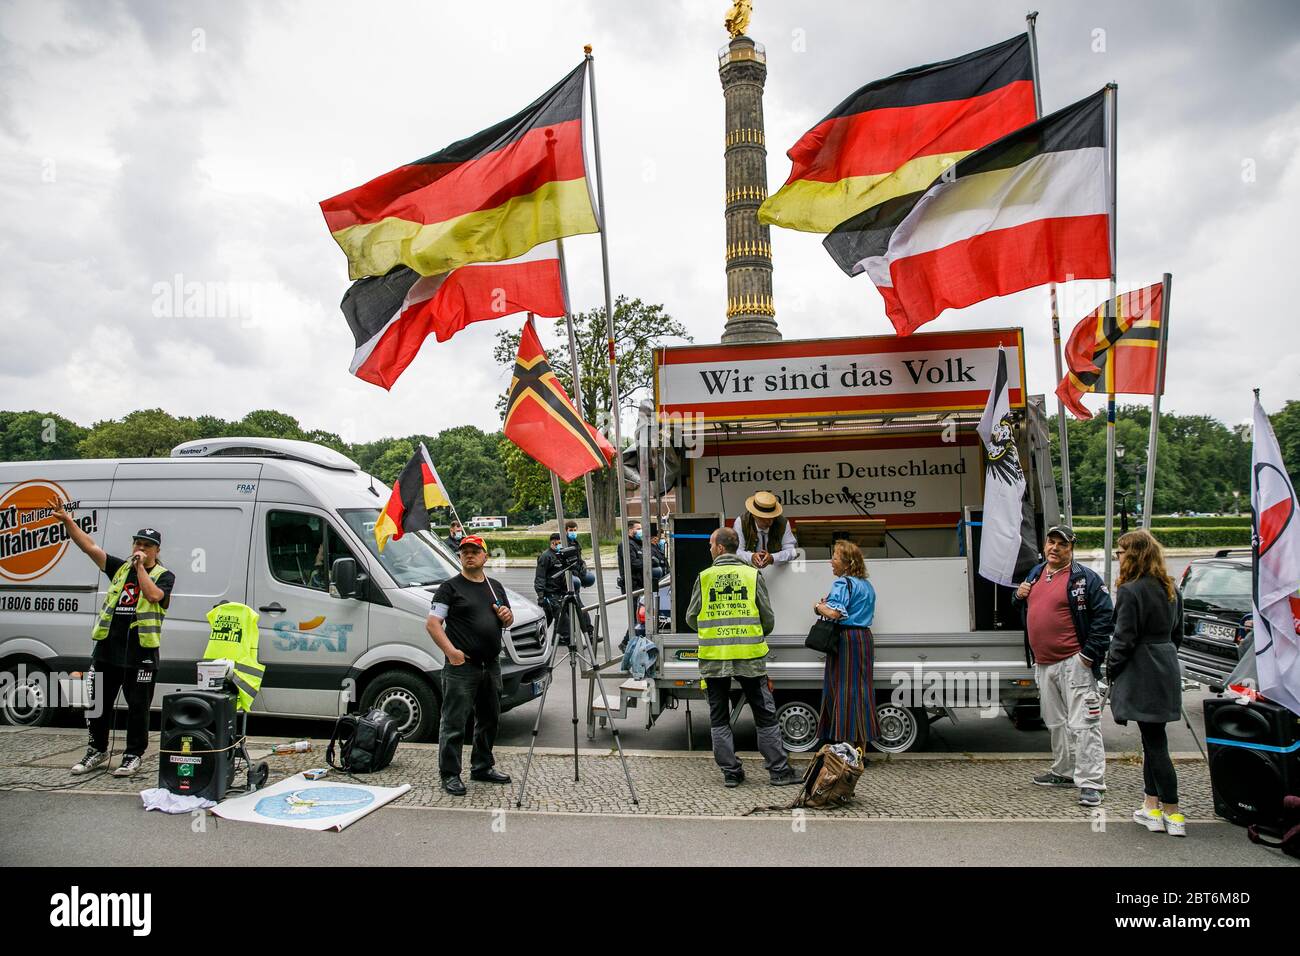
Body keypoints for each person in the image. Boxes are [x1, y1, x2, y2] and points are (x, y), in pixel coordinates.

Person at [49, 498, 175, 778]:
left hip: (141, 654)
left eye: (146, 546)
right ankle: (96, 750)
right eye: (137, 544)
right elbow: (90, 547)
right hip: (108, 650)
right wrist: (68, 521)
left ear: (156, 550)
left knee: (138, 708)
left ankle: (132, 755)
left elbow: (154, 596)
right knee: (98, 704)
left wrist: (140, 567)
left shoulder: (164, 576)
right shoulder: (119, 568)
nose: (139, 549)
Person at [685, 527, 801, 788]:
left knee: (718, 716)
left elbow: (691, 618)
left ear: (719, 548)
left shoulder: (704, 577)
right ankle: (779, 771)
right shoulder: (751, 575)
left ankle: (731, 773)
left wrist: (715, 629)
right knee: (764, 714)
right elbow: (767, 618)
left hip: (715, 657)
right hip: (750, 657)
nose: (709, 548)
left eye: (710, 544)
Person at [1013, 525, 1114, 807]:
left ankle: (1092, 782)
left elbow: (1105, 617)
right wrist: (1018, 595)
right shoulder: (1036, 572)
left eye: (1062, 544)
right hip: (1044, 663)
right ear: (1045, 545)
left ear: (1071, 549)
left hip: (1074, 661)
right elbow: (1023, 605)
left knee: (1084, 723)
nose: (1055, 548)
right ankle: (1063, 771)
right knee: (1055, 721)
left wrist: (1088, 655)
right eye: (1051, 542)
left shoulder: (1086, 578)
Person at [1106, 530, 1187, 837]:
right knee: (1152, 738)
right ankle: (1150, 805)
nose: (1118, 557)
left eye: (1121, 552)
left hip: (1141, 668)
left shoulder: (1130, 591)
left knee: (1156, 743)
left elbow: (1124, 638)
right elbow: (1178, 633)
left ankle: (1172, 811)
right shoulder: (1170, 588)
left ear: (1134, 555)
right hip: (1165, 664)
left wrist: (1111, 668)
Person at [426, 534, 514, 796]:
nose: (469, 555)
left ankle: (482, 766)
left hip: (491, 665)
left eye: (475, 551)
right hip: (462, 666)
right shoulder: (450, 588)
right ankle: (450, 774)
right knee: (454, 721)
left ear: (485, 556)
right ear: (460, 556)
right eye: (465, 551)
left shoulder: (494, 586)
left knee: (489, 719)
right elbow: (432, 624)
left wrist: (507, 617)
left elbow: (507, 620)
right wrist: (451, 651)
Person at [813, 540, 879, 750]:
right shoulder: (867, 585)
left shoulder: (842, 583)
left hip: (846, 640)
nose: (831, 561)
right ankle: (861, 750)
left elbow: (835, 613)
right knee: (862, 691)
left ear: (847, 563)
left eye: (834, 557)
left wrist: (818, 607)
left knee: (842, 690)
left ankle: (845, 749)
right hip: (864, 639)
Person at [534, 532, 591, 641]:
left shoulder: (563, 555)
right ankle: (537, 639)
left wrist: (582, 567)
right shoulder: (546, 556)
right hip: (551, 594)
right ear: (553, 542)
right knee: (557, 621)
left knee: (567, 618)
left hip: (564, 592)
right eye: (559, 543)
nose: (561, 545)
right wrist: (540, 595)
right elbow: (540, 577)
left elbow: (573, 569)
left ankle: (560, 639)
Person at [733, 491, 798, 569]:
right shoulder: (741, 522)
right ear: (754, 515)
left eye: (772, 518)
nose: (769, 522)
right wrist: (751, 557)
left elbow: (791, 551)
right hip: (748, 572)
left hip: (777, 572)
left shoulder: (783, 523)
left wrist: (773, 558)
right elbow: (736, 551)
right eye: (763, 518)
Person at [616, 519, 664, 595]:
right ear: (630, 530)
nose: (641, 531)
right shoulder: (626, 544)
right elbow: (633, 563)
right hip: (633, 585)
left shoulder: (638, 544)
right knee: (636, 606)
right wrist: (650, 562)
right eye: (638, 529)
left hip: (642, 583)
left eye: (641, 529)